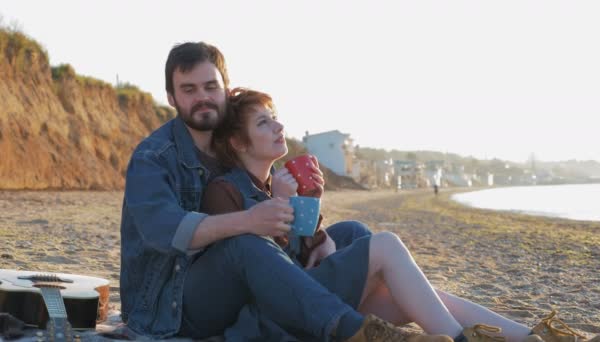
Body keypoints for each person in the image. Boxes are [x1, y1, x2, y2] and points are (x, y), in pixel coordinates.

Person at [203, 86, 600, 342]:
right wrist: (282, 209)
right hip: (283, 317)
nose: (278, 126)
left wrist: (309, 212)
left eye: (275, 117)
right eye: (264, 122)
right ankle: (462, 339)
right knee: (384, 245)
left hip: (311, 295)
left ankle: (526, 336)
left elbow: (308, 251)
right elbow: (262, 274)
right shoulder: (225, 192)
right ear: (238, 142)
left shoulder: (278, 182)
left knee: (400, 281)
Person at [119, 41, 450, 341]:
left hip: (239, 289)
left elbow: (275, 226)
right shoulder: (154, 157)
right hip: (169, 308)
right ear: (171, 97)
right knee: (244, 243)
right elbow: (165, 231)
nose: (202, 97)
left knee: (351, 233)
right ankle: (354, 330)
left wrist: (313, 230)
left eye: (210, 86)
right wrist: (248, 220)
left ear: (225, 89)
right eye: (188, 89)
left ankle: (453, 329)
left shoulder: (232, 150)